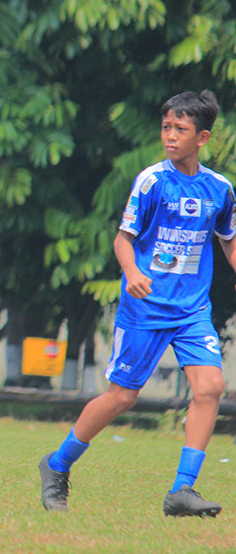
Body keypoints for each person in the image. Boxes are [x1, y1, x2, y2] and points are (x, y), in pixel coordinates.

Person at [39, 90, 236, 517]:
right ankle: (56, 466)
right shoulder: (151, 181)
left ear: (201, 137)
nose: (170, 136)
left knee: (210, 388)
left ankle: (182, 491)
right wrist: (131, 272)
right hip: (144, 308)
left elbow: (229, 242)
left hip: (191, 310)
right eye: (166, 127)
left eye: (180, 130)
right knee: (122, 398)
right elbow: (122, 239)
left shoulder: (220, 189)